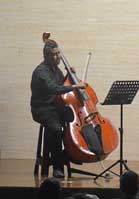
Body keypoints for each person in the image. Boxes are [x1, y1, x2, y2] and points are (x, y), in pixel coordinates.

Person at [31, 37, 85, 178]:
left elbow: (61, 83)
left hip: (55, 106)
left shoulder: (57, 70)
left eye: (58, 53)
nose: (57, 57)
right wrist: (74, 86)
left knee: (74, 121)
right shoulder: (41, 72)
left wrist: (68, 74)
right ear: (46, 56)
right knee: (55, 129)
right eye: (54, 54)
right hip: (42, 109)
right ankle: (57, 166)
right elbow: (54, 88)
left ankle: (72, 153)